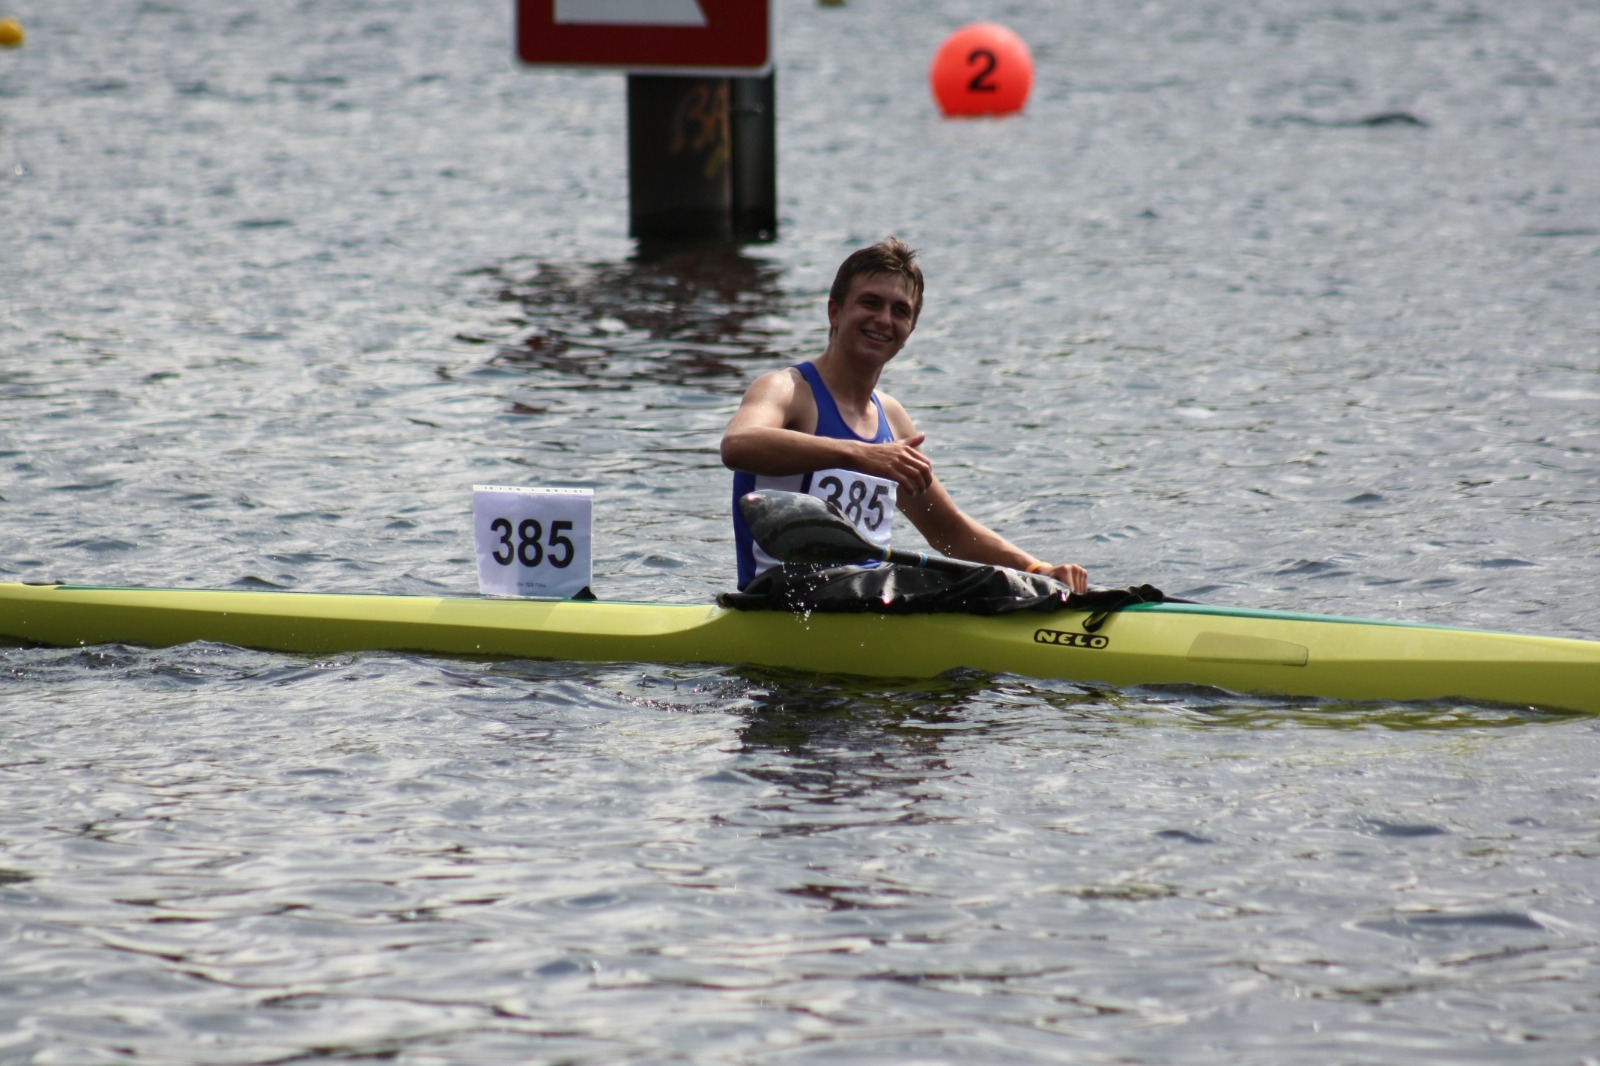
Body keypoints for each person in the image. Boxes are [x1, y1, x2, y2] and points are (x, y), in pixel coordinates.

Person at [721, 236, 1090, 595]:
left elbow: (948, 531)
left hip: (868, 592)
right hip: (784, 592)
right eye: (870, 303)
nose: (883, 319)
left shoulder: (892, 418)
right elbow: (738, 444)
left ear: (910, 329)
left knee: (1014, 584)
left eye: (900, 311)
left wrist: (1036, 569)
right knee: (964, 585)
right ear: (835, 311)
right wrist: (859, 453)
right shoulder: (787, 390)